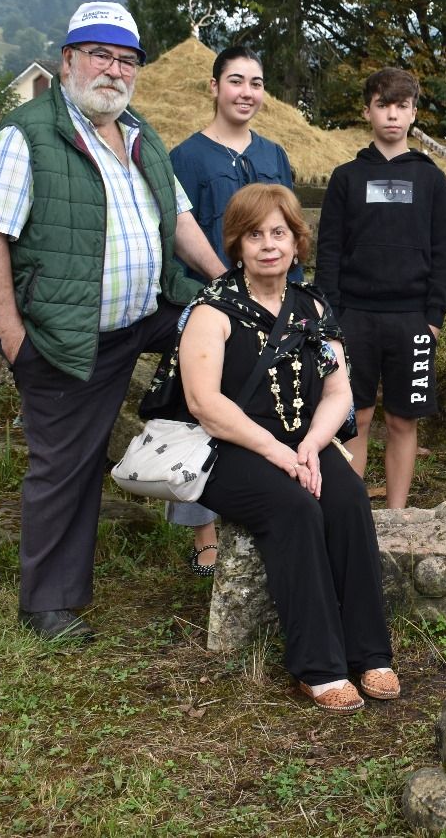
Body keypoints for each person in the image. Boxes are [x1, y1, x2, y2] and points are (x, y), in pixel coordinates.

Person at [0, 2, 227, 641]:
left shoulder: (139, 134)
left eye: (126, 59)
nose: (113, 69)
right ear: (68, 61)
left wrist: (228, 288)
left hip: (148, 312)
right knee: (67, 465)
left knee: (236, 345)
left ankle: (231, 520)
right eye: (100, 55)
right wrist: (15, 340)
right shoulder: (26, 136)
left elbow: (180, 220)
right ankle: (48, 606)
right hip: (67, 330)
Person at [167, 183, 394, 712]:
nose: (268, 245)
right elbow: (204, 404)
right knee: (294, 508)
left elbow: (339, 391)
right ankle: (318, 666)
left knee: (348, 499)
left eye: (279, 233)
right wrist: (279, 453)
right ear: (236, 246)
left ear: (297, 242)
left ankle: (370, 653)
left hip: (302, 446)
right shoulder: (212, 310)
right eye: (254, 235)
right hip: (232, 451)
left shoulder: (313, 306)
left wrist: (314, 446)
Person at [166, 46, 297, 575]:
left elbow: (287, 228)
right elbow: (177, 235)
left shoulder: (274, 154)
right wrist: (211, 291)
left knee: (274, 409)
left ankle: (273, 511)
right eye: (236, 80)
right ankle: (204, 535)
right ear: (215, 87)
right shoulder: (187, 157)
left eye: (257, 83)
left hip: (274, 304)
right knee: (203, 413)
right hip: (213, 305)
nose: (247, 92)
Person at [316, 68, 446, 508]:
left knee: (402, 420)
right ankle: (351, 511)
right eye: (383, 105)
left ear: (414, 112)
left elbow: (444, 254)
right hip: (353, 319)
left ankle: (396, 513)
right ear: (367, 111)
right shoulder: (346, 178)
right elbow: (329, 254)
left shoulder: (433, 180)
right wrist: (331, 321)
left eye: (401, 106)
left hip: (412, 320)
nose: (392, 115)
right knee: (353, 416)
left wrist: (433, 318)